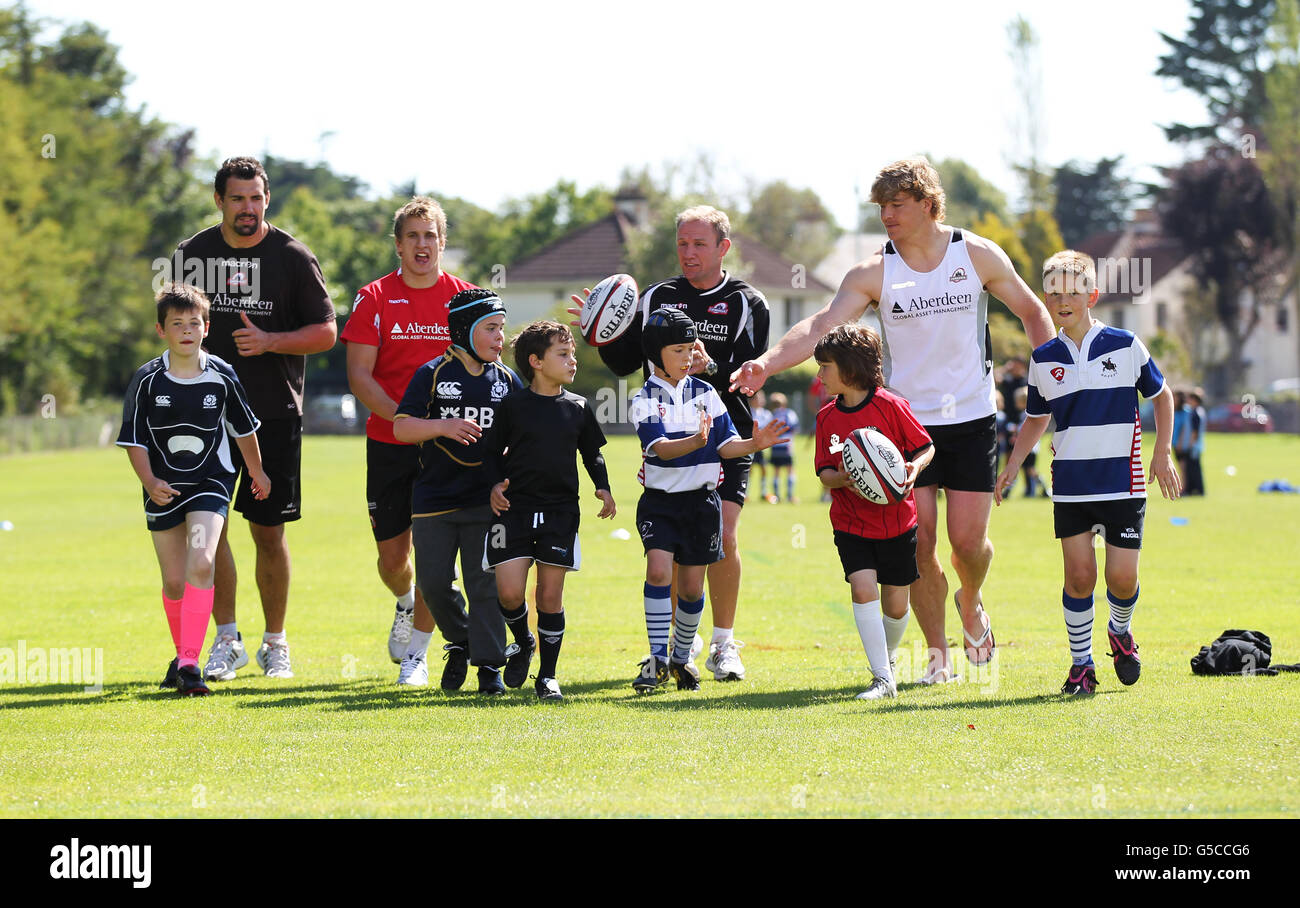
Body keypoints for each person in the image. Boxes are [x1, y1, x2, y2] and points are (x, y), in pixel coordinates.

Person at [731, 157, 1054, 684]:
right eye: (880, 207)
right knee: (921, 545)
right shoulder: (874, 271)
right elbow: (822, 324)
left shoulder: (975, 254)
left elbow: (1033, 311)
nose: (886, 215)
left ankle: (970, 602)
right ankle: (937, 656)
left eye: (896, 205)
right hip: (901, 429)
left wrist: (1051, 374)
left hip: (972, 417)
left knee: (967, 544)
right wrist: (766, 364)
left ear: (928, 204)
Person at [572, 206, 769, 682]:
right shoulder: (658, 295)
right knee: (671, 556)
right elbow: (624, 362)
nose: (688, 252)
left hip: (724, 435)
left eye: (699, 244)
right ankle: (672, 648)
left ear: (723, 247)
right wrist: (600, 328)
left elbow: (752, 375)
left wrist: (712, 370)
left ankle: (723, 643)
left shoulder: (748, 302)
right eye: (682, 243)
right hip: (665, 438)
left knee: (722, 535)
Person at [174, 156, 337, 681]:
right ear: (219, 200)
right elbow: (171, 323)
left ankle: (275, 642)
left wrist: (271, 341)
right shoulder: (192, 255)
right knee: (210, 531)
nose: (248, 208)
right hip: (204, 420)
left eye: (256, 198)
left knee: (268, 534)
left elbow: (327, 332)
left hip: (274, 416)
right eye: (238, 198)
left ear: (268, 199)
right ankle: (226, 639)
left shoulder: (292, 256)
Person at [994, 250, 1180, 695]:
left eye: (1073, 291)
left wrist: (1162, 452)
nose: (1063, 299)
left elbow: (1163, 396)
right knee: (1079, 577)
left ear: (1091, 295)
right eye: (1054, 291)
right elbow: (1036, 419)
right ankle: (1082, 666)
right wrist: (1013, 464)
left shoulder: (1126, 344)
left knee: (1121, 578)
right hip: (1072, 486)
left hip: (1124, 483)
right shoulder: (1043, 359)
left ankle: (1120, 630)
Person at [342, 196, 476, 683]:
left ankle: (417, 657)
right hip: (390, 442)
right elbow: (360, 376)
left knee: (435, 555)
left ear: (443, 242)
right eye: (413, 236)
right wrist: (405, 422)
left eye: (431, 236)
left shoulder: (468, 300)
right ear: (398, 245)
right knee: (393, 558)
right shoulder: (373, 297)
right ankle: (404, 601)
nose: (423, 245)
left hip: (448, 448)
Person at [117, 284, 270, 696]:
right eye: (177, 324)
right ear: (161, 330)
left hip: (210, 483)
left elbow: (243, 428)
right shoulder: (147, 379)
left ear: (206, 327)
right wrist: (150, 482)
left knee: (201, 563)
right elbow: (132, 439)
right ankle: (182, 656)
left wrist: (257, 471)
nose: (186, 330)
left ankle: (189, 664)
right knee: (173, 582)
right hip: (162, 486)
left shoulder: (222, 374)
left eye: (194, 323)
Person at [629, 309, 788, 693]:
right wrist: (696, 442)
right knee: (657, 572)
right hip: (661, 504)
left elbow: (727, 445)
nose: (688, 358)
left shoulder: (706, 392)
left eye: (691, 349)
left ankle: (683, 659)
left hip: (702, 505)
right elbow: (661, 450)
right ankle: (656, 659)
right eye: (678, 350)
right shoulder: (644, 398)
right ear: (656, 354)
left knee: (691, 589)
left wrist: (754, 443)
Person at [393, 289, 521, 695]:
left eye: (502, 328)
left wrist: (508, 474)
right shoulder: (432, 373)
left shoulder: (507, 380)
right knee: (433, 584)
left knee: (483, 583)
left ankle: (489, 668)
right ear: (464, 330)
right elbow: (401, 426)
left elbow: (522, 437)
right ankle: (462, 642)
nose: (500, 337)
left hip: (486, 502)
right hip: (434, 500)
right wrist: (442, 426)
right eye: (491, 329)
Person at [484, 321, 617, 701]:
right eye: (563, 354)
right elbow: (491, 453)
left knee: (549, 598)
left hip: (560, 513)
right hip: (513, 510)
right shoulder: (512, 406)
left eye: (572, 353)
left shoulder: (577, 407)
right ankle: (524, 641)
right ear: (536, 362)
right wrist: (494, 484)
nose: (572, 360)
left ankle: (548, 677)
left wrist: (603, 487)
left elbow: (591, 452)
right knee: (510, 593)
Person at [813, 325, 933, 700]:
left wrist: (915, 468)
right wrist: (842, 478)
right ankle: (882, 678)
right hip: (851, 524)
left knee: (896, 606)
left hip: (898, 522)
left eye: (825, 367)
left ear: (849, 368)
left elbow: (924, 447)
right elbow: (824, 474)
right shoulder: (826, 418)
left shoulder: (891, 406)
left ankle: (889, 659)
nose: (819, 375)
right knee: (863, 588)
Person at [767, 392, 800, 502]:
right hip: (786, 446)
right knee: (790, 470)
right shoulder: (789, 413)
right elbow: (795, 428)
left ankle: (777, 496)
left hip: (775, 446)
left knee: (776, 471)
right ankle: (790, 496)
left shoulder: (771, 415)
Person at [1184, 388, 1207, 495]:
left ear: (1194, 399)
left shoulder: (1196, 413)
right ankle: (1193, 489)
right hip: (1196, 444)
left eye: (1189, 398)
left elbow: (1195, 431)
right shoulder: (1198, 411)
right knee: (1192, 468)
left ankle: (1198, 490)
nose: (1187, 400)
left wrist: (1190, 444)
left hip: (1194, 445)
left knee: (1194, 469)